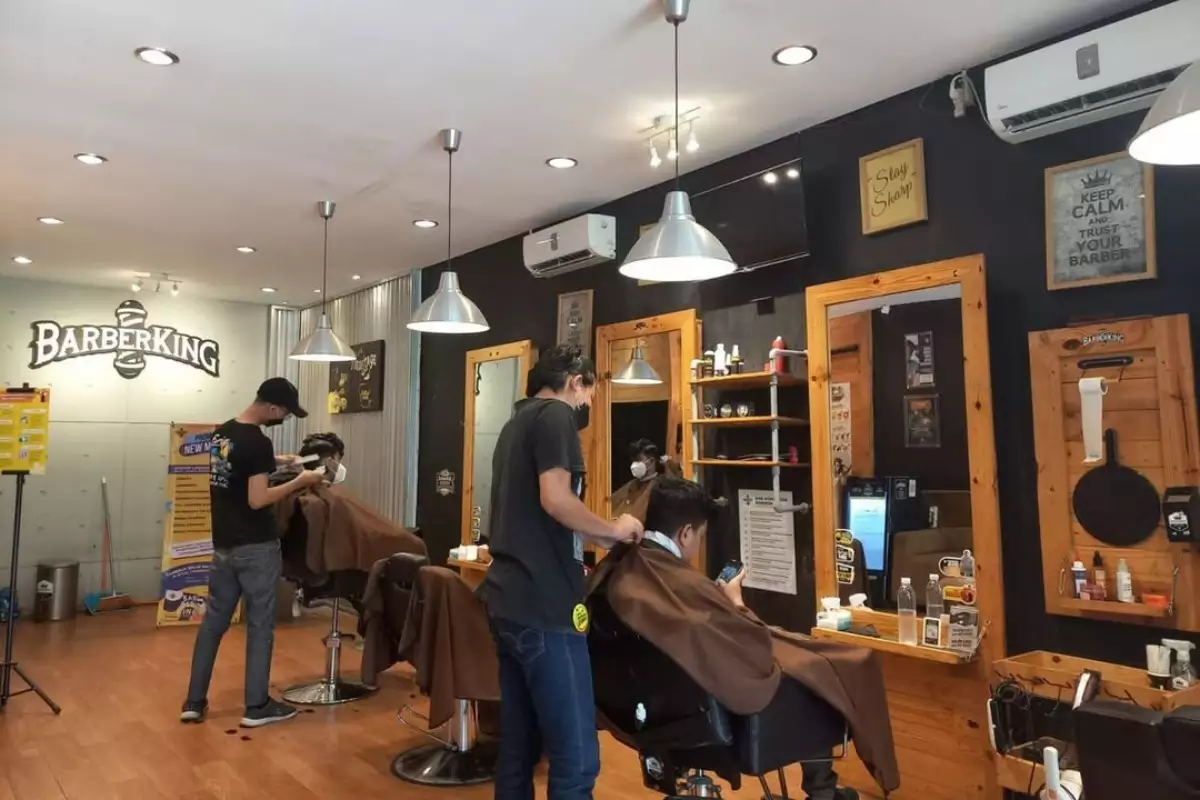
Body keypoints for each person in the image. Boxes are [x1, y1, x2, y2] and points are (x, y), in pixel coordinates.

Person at [594, 476, 874, 800]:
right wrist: (735, 602)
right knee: (821, 677)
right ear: (686, 533)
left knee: (813, 666)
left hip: (652, 712)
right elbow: (752, 648)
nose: (698, 544)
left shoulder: (623, 571)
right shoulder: (680, 584)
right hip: (709, 713)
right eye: (700, 536)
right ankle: (822, 792)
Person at [482, 343, 645, 800]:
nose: (587, 404)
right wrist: (612, 530)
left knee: (519, 748)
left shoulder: (515, 424)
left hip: (507, 602)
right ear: (576, 382)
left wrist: (594, 533)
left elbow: (544, 510)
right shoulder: (556, 416)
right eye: (589, 393)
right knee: (576, 758)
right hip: (545, 606)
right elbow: (555, 498)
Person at [180, 377, 325, 728]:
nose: (284, 419)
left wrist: (280, 462)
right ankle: (257, 706)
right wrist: (300, 481)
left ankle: (194, 702)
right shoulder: (258, 441)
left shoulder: (222, 434)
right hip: (256, 547)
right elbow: (258, 499)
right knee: (260, 626)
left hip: (223, 546)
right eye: (285, 413)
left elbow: (236, 466)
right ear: (272, 407)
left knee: (213, 624)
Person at [609, 438, 682, 522]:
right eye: (634, 461)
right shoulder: (632, 484)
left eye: (638, 460)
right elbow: (610, 502)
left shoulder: (659, 486)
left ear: (651, 461)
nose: (634, 464)